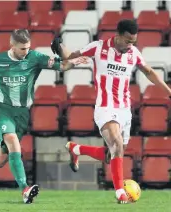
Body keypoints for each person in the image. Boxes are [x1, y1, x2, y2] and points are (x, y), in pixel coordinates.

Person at [51, 19, 171, 204]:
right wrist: (59, 47)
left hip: (124, 110)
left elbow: (148, 72)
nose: (130, 45)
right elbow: (71, 56)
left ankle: (76, 149)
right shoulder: (98, 48)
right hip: (105, 108)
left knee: (112, 154)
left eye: (133, 42)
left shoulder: (133, 54)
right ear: (118, 35)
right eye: (127, 41)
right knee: (116, 143)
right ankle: (120, 193)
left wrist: (169, 92)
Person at [0, 29, 87, 204]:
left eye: (28, 48)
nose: (26, 52)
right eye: (22, 49)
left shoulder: (35, 57)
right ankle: (25, 189)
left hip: (22, 114)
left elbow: (62, 66)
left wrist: (74, 62)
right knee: (12, 142)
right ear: (12, 46)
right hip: (2, 110)